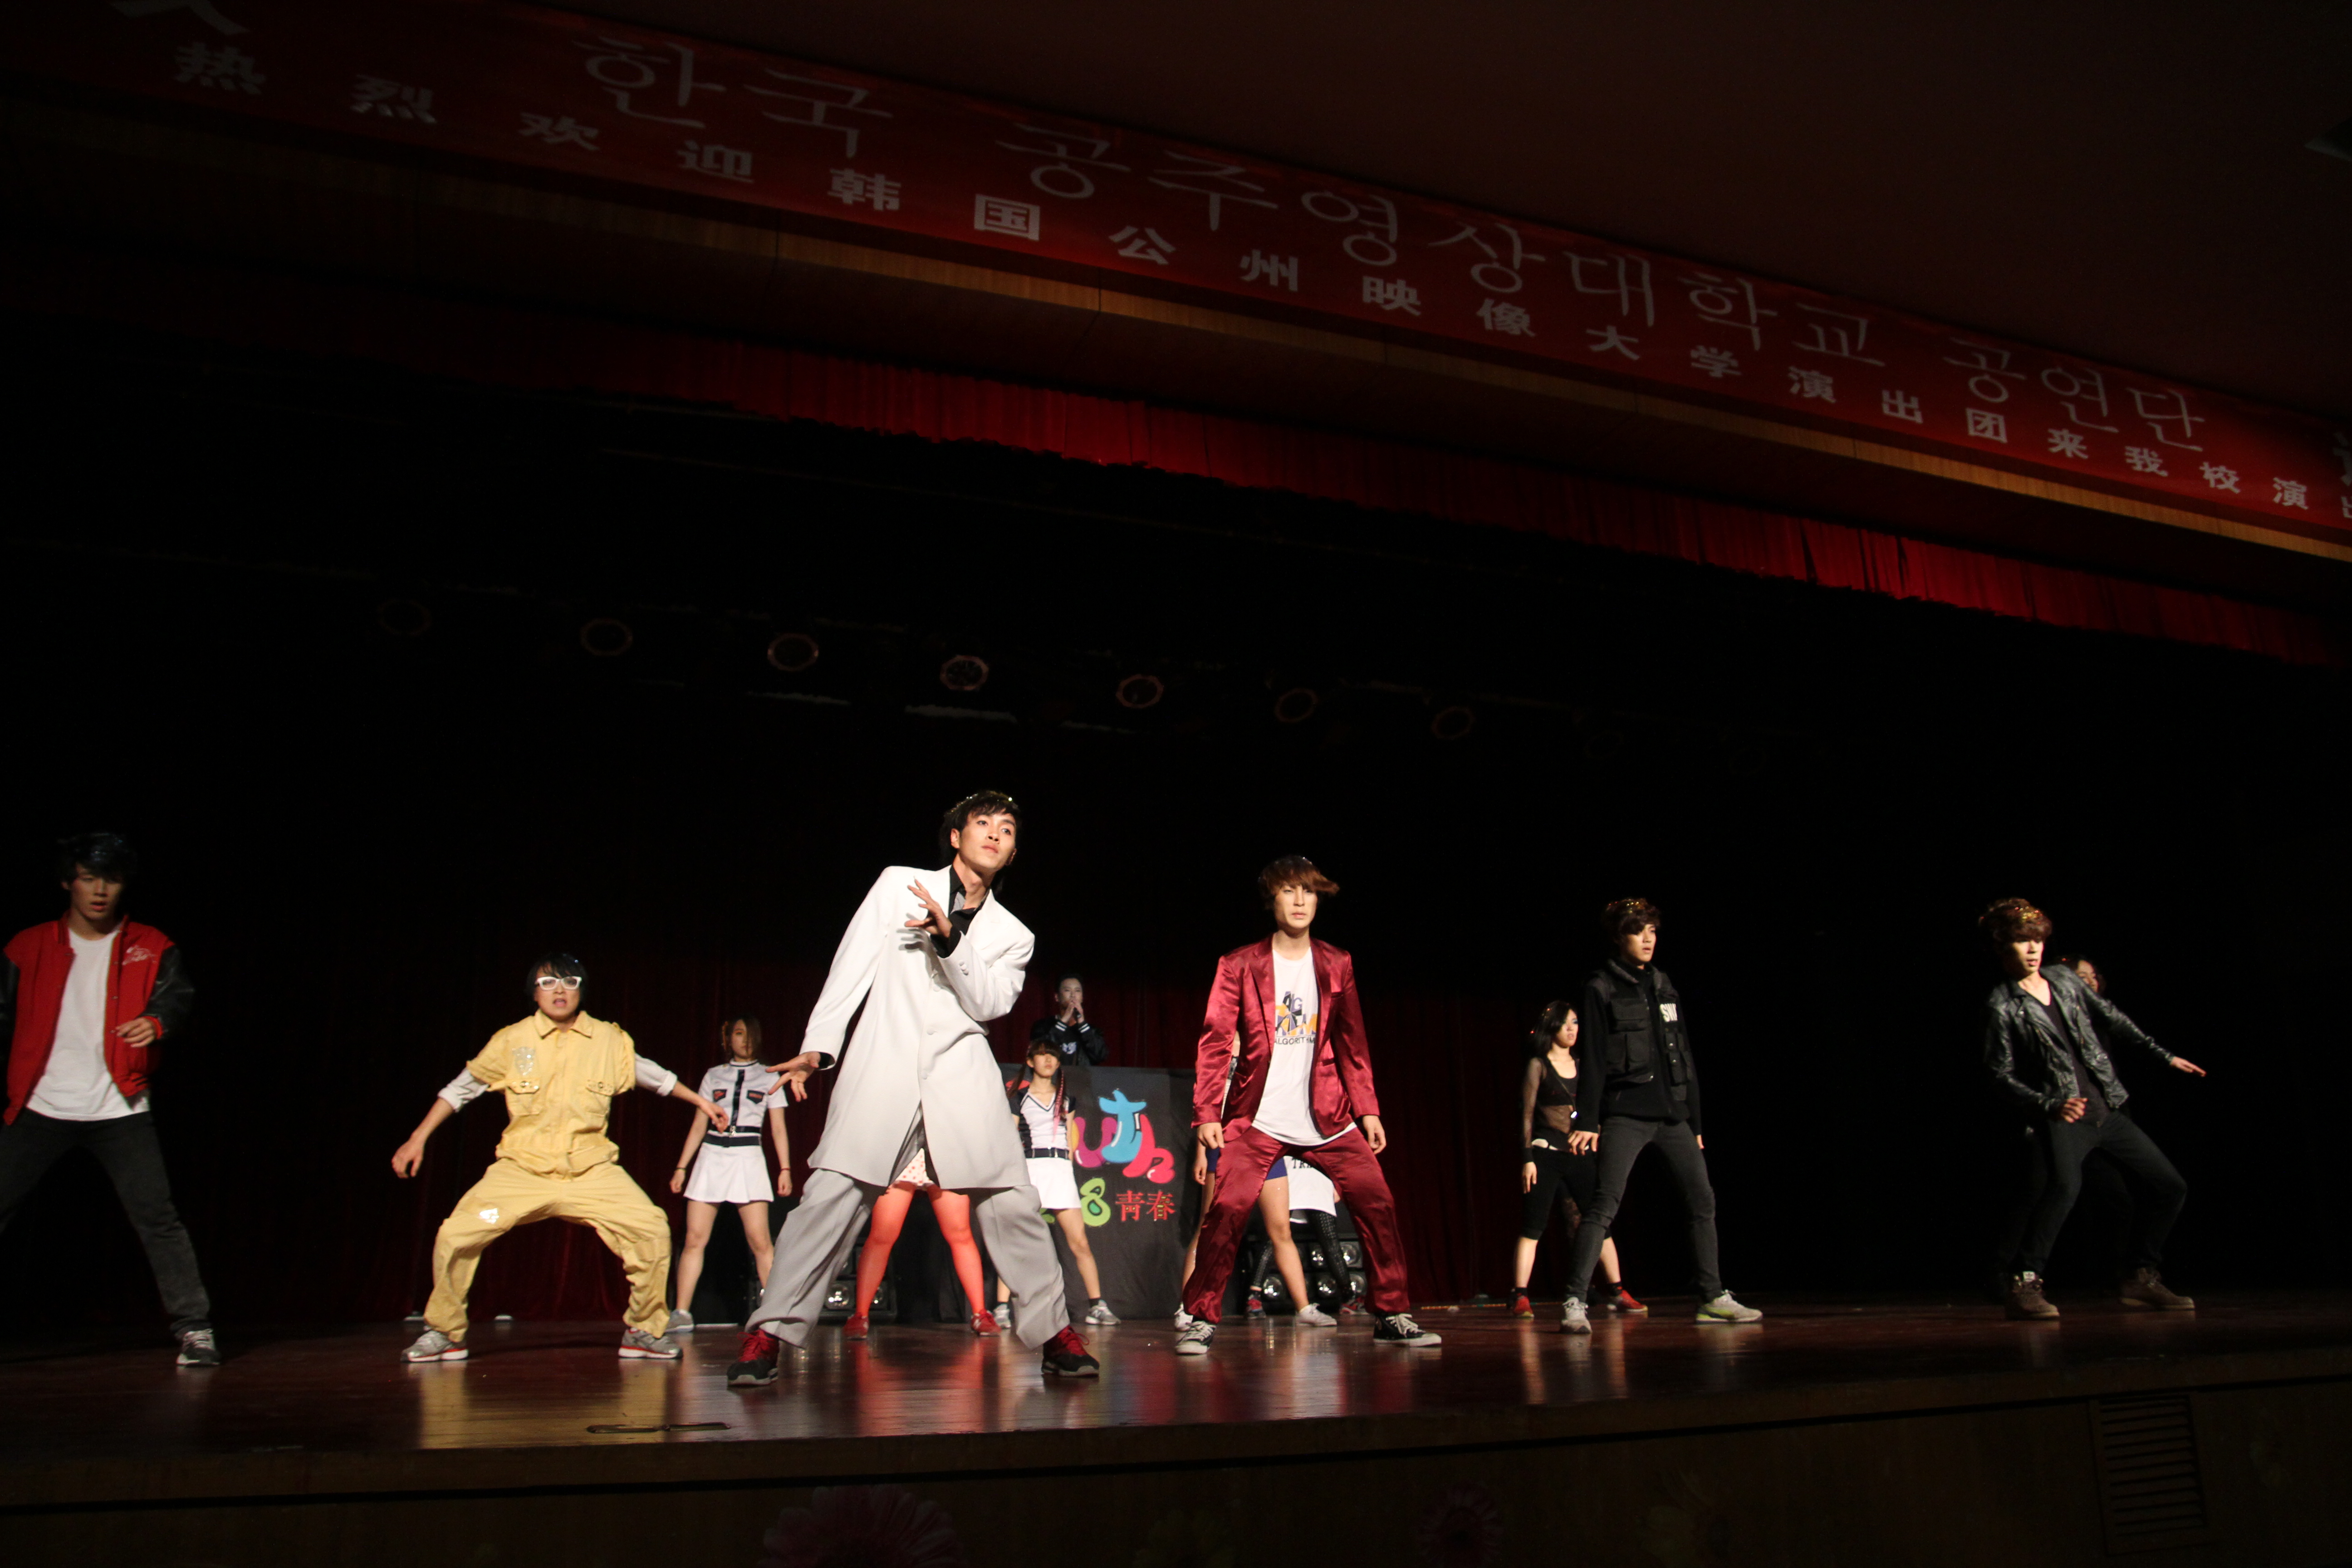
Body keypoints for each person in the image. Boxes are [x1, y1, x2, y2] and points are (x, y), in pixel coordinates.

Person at [727, 791, 1099, 1387]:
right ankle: (768, 1333)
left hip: (963, 1073)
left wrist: (951, 940)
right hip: (885, 1065)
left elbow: (990, 1002)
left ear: (1012, 853)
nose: (994, 835)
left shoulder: (1013, 934)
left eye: (1006, 830)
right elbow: (850, 966)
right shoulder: (897, 885)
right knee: (830, 1198)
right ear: (956, 836)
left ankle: (1055, 1334)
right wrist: (820, 1047)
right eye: (983, 823)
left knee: (1011, 1202)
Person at [390, 952, 730, 1363]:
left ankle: (644, 1329)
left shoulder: (607, 1039)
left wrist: (701, 1103)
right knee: (458, 1234)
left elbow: (653, 1076)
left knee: (651, 1229)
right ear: (534, 993)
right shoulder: (512, 1041)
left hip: (591, 1174)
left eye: (570, 982)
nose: (559, 991)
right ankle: (445, 1332)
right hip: (522, 1175)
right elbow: (461, 1089)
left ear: (581, 991)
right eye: (548, 983)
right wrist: (418, 1138)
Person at [1174, 855, 1438, 1354]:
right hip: (1257, 1116)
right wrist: (1208, 1112)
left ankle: (1391, 1312)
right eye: (1289, 891)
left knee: (1377, 1202)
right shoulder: (1239, 965)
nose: (1300, 901)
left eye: (1309, 891)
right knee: (1227, 1208)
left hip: (1327, 1115)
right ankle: (1201, 1317)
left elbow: (1352, 1042)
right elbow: (1215, 1042)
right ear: (1271, 900)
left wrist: (1368, 1109)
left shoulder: (1337, 963)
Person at [0, 833, 214, 1367]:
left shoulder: (152, 944)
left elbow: (177, 1000)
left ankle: (196, 1329)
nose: (100, 891)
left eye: (111, 880)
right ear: (68, 882)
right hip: (40, 1105)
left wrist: (157, 1022)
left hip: (120, 1106)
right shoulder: (27, 946)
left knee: (158, 1218)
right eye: (89, 878)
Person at [1980, 900, 2206, 1320]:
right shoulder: (2004, 1004)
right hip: (2066, 1115)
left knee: (2170, 1186)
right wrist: (2049, 1104)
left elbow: (2112, 1018)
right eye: (2022, 941)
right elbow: (1999, 1074)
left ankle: (2140, 1276)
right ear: (2002, 947)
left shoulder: (2065, 979)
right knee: (2063, 1191)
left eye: (2037, 940)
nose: (2033, 949)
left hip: (2107, 1109)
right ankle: (2025, 1283)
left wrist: (2163, 1056)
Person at [1558, 899, 1761, 1333]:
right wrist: (1587, 1120)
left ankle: (1712, 1297)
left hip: (1672, 1116)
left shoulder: (1663, 984)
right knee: (1604, 1204)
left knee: (1702, 1200)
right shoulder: (1601, 987)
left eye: (1652, 931)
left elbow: (1684, 1054)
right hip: (1626, 1114)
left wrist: (1696, 1122)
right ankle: (1575, 1300)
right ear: (1619, 937)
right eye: (1638, 931)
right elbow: (1593, 1059)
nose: (1648, 939)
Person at [1509, 1000, 1643, 1320]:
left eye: (1576, 1023)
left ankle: (1617, 1289)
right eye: (1565, 1023)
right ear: (1552, 1027)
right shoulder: (1539, 1065)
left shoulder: (1584, 1067)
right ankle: (1520, 1295)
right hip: (1546, 1154)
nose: (1572, 1029)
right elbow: (1526, 1114)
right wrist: (1527, 1158)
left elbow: (1595, 1111)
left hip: (1580, 1156)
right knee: (1534, 1225)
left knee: (1599, 1221)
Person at [666, 1014, 793, 1333]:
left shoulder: (769, 1075)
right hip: (712, 1154)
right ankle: (681, 1312)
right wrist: (682, 1167)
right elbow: (699, 1125)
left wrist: (785, 1168)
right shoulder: (713, 1075)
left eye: (749, 1034)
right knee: (695, 1238)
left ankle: (774, 1313)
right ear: (728, 1039)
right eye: (738, 1033)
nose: (745, 1040)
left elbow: (778, 1128)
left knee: (760, 1240)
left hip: (748, 1155)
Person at [991, 1040, 1118, 1328]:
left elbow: (1069, 1139)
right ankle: (1002, 1309)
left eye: (1053, 1056)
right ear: (1030, 1061)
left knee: (1080, 1242)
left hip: (1059, 1169)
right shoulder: (1019, 1098)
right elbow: (1010, 1139)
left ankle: (1097, 1306)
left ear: (1059, 1063)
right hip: (1030, 1168)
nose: (1048, 1060)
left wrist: (1067, 1169)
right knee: (1014, 1242)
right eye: (1042, 1055)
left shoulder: (1067, 1099)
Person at [1242, 1157, 1345, 1324]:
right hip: (1285, 1173)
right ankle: (1253, 1297)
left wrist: (1337, 1182)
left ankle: (1347, 1297)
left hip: (1316, 1179)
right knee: (1274, 1236)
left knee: (1329, 1240)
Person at [1028, 975, 1109, 1067]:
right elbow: (1039, 1052)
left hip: (1082, 1076)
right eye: (1067, 990)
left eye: (1077, 991)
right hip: (1053, 1075)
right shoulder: (1043, 1026)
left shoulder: (1091, 1030)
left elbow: (1100, 1056)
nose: (1073, 995)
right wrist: (1063, 1021)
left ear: (1082, 997)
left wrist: (1082, 1023)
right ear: (1057, 997)